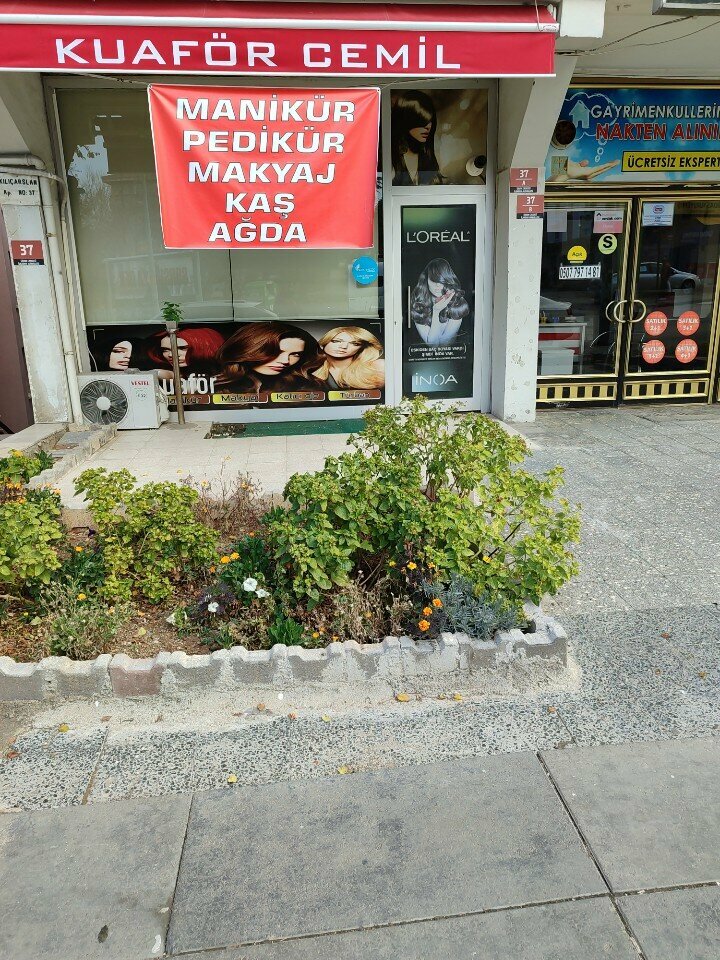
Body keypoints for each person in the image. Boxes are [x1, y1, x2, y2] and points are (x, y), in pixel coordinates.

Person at [215, 321, 323, 395]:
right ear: (249, 349)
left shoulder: (306, 386)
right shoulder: (213, 386)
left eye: (295, 354)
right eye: (277, 352)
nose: (285, 361)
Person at [410, 259, 470, 346]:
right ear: (426, 280)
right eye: (433, 280)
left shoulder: (457, 303)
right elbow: (433, 345)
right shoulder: (419, 305)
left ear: (447, 281)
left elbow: (445, 345)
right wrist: (436, 312)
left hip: (451, 357)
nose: (438, 285)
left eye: (441, 281)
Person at [391, 91, 444, 186]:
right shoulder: (390, 160)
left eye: (430, 121)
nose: (428, 126)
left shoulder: (428, 158)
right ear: (406, 119)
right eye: (422, 121)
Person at [314, 326, 385, 390]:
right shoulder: (310, 369)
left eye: (355, 344)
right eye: (336, 341)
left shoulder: (377, 367)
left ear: (361, 348)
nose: (344, 346)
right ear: (324, 343)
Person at [146, 326, 225, 381]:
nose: (170, 355)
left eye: (182, 348)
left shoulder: (225, 375)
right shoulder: (173, 373)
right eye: (165, 350)